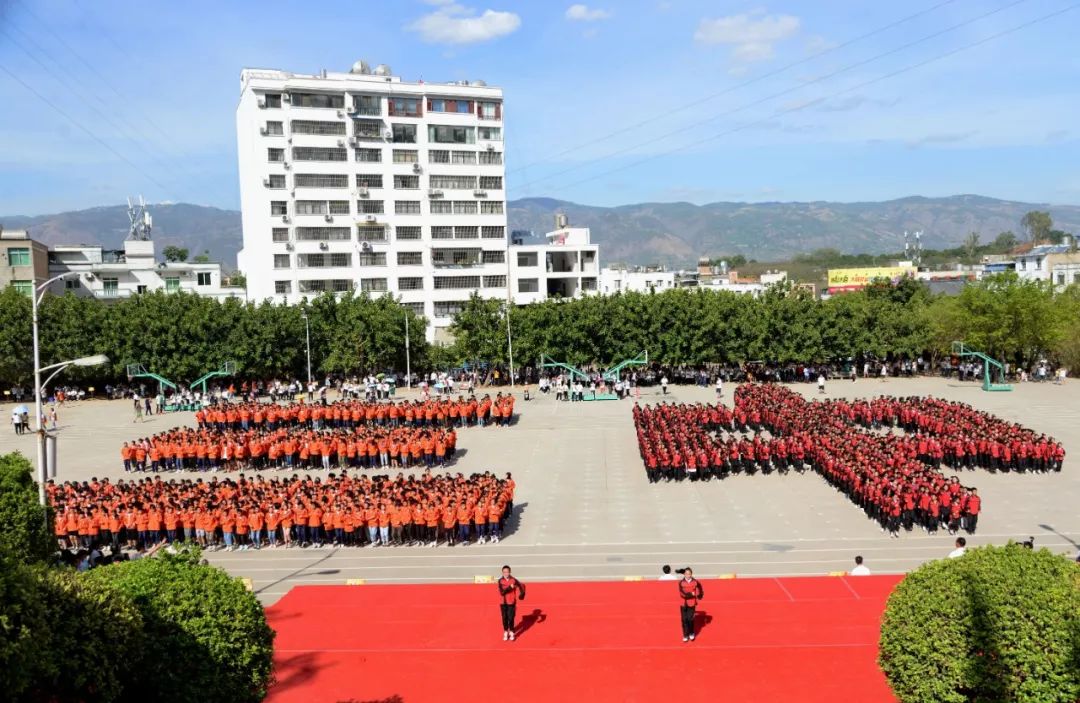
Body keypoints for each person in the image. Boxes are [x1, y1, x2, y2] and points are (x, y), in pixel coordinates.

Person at [497, 565, 526, 641]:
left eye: (507, 572)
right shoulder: (500, 581)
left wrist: (522, 594)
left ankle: (512, 632)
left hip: (511, 602)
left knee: (511, 617)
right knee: (504, 618)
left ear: (510, 572)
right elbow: (502, 592)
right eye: (504, 572)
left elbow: (522, 585)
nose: (506, 573)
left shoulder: (514, 580)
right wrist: (510, 587)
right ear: (502, 572)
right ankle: (506, 631)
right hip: (503, 602)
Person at [677, 567, 703, 642]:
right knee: (684, 620)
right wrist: (691, 594)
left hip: (692, 603)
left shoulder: (695, 582)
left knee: (690, 619)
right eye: (686, 574)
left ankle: (691, 633)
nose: (688, 575)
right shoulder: (681, 582)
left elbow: (700, 588)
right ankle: (685, 635)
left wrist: (699, 595)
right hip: (683, 603)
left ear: (691, 574)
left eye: (689, 574)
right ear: (684, 574)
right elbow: (682, 594)